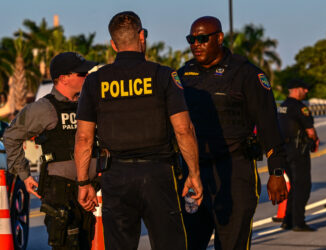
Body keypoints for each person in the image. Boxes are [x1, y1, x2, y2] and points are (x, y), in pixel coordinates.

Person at [74, 11, 203, 250]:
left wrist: (83, 183)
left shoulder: (95, 81)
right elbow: (184, 129)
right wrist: (194, 173)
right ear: (142, 36)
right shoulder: (163, 75)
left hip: (116, 177)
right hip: (159, 175)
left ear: (113, 44)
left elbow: (83, 138)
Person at [177, 16, 288, 250]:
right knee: (187, 244)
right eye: (191, 39)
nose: (195, 44)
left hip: (235, 172)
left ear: (218, 38)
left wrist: (276, 172)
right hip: (193, 173)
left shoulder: (246, 74)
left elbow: (268, 125)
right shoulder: (183, 75)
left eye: (202, 39)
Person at [3, 52, 98, 249]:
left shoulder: (88, 104)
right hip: (61, 192)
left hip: (88, 189)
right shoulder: (44, 108)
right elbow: (11, 136)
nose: (87, 76)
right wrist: (24, 175)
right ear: (63, 78)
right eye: (81, 74)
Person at [278, 79, 319, 232]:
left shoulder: (282, 106)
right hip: (298, 151)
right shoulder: (300, 107)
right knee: (302, 186)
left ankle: (287, 220)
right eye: (304, 89)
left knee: (294, 186)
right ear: (296, 90)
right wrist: (314, 140)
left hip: (284, 150)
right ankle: (298, 222)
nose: (307, 91)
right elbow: (310, 131)